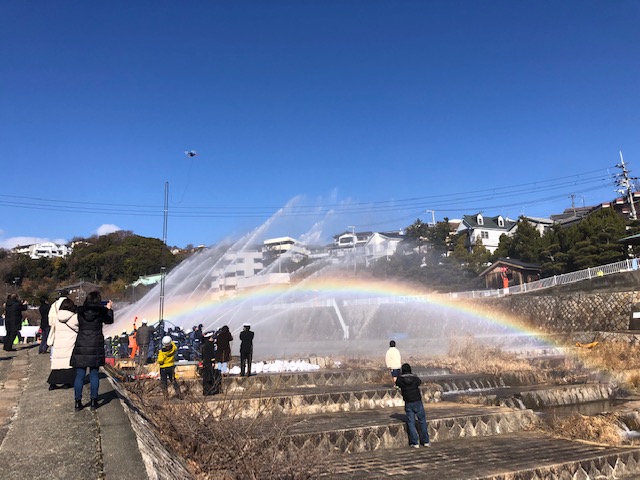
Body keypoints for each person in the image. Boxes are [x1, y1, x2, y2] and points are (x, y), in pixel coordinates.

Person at [70, 292, 114, 411]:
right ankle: (94, 401)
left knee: (80, 375)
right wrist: (109, 309)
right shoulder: (101, 312)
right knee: (94, 374)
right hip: (96, 343)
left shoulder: (80, 311)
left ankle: (78, 402)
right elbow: (109, 321)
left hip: (82, 343)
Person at [395, 363, 430, 448]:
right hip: (418, 401)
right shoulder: (415, 378)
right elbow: (419, 382)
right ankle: (426, 442)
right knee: (422, 421)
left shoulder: (400, 379)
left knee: (411, 423)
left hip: (408, 403)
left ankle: (415, 443)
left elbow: (397, 383)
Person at [47, 298, 78, 389]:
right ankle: (67, 382)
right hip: (70, 342)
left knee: (57, 364)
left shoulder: (57, 318)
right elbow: (78, 328)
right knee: (68, 364)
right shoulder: (74, 317)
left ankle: (52, 383)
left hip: (58, 342)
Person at [158, 335, 182, 400]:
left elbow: (160, 361)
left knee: (164, 382)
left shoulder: (162, 352)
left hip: (163, 368)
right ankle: (179, 394)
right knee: (173, 381)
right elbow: (174, 345)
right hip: (171, 367)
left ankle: (166, 396)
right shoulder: (173, 349)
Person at [201, 331, 221, 395]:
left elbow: (203, 355)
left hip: (205, 362)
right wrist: (213, 361)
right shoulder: (210, 345)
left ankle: (205, 391)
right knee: (210, 376)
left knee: (205, 377)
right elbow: (212, 354)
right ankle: (210, 390)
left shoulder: (204, 345)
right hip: (209, 362)